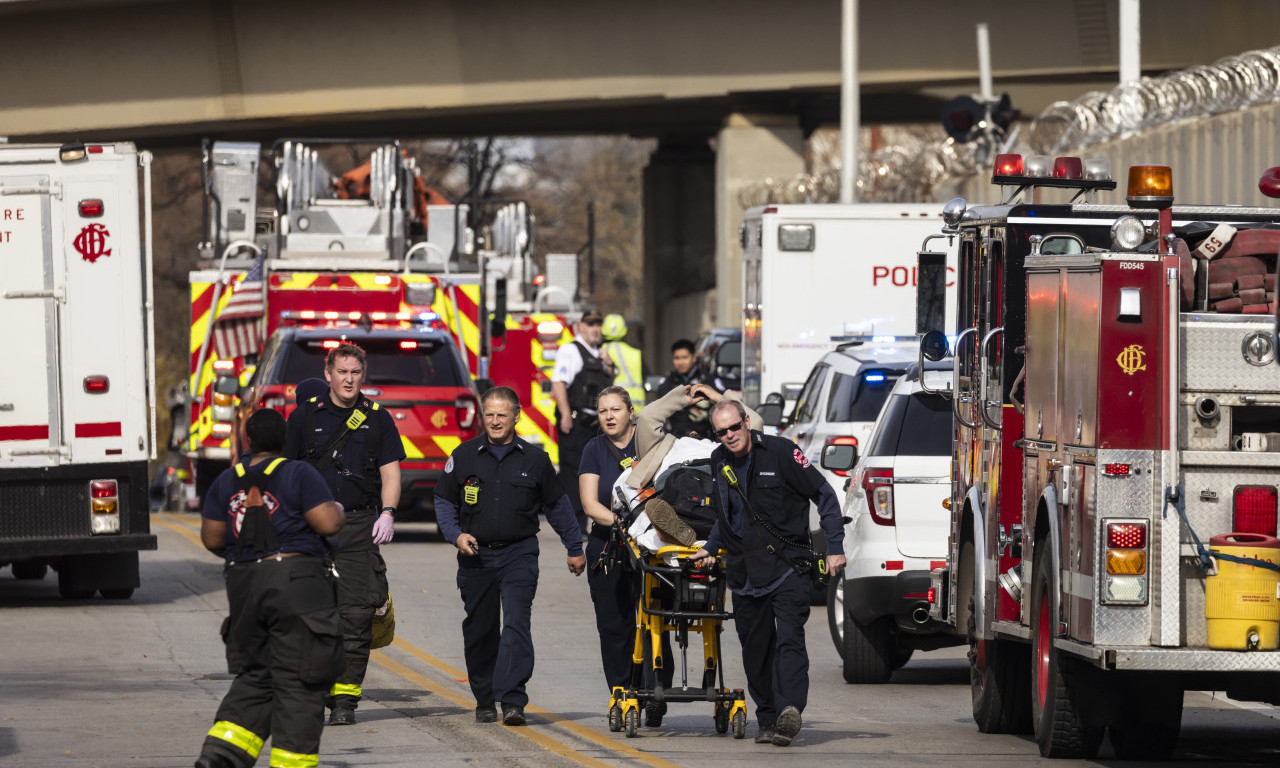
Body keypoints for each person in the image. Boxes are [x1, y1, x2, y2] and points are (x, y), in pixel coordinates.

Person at [195, 408, 345, 768]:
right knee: (301, 678)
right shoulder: (297, 472)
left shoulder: (227, 480)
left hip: (244, 585)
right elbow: (326, 523)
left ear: (248, 441)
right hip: (295, 582)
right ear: (284, 442)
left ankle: (221, 756)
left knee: (257, 675)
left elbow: (212, 537)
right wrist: (337, 508)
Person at [691, 400, 847, 747]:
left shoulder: (781, 452)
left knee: (789, 639)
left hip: (788, 567)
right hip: (744, 572)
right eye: (722, 432)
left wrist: (834, 545)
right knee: (755, 649)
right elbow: (726, 515)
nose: (730, 436)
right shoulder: (719, 461)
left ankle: (790, 709)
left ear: (747, 422)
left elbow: (824, 494)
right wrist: (711, 546)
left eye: (734, 427)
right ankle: (766, 718)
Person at [434, 386, 586, 726]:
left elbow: (558, 505)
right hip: (476, 556)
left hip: (519, 553)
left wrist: (574, 548)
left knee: (517, 622)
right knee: (481, 630)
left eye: (502, 415)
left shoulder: (535, 459)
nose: (495, 421)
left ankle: (513, 699)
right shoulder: (464, 456)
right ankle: (485, 697)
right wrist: (456, 535)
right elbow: (444, 501)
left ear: (516, 416)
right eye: (489, 414)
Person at [282, 342, 405, 726]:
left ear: (362, 375)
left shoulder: (378, 418)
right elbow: (284, 473)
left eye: (355, 372)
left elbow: (390, 474)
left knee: (355, 615)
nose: (349, 379)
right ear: (329, 374)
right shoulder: (303, 417)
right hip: (311, 528)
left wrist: (387, 513)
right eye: (342, 372)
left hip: (357, 526)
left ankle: (345, 701)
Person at [578, 385, 674, 725]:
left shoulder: (650, 442)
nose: (609, 416)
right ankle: (622, 693)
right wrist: (623, 522)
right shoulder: (593, 449)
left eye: (615, 409)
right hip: (609, 545)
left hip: (652, 546)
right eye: (603, 411)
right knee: (614, 625)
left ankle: (655, 693)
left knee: (654, 620)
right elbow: (590, 504)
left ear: (631, 412)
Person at [551, 309, 617, 533]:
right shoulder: (571, 350)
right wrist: (566, 414)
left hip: (595, 424)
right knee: (573, 474)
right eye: (590, 324)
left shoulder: (599, 353)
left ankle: (596, 522)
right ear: (580, 327)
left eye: (598, 324)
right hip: (577, 421)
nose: (595, 329)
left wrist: (609, 366)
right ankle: (575, 526)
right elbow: (559, 383)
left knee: (596, 473)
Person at [653, 339, 709, 439]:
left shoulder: (708, 380)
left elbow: (721, 402)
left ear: (693, 358)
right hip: (677, 438)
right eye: (677, 358)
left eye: (684, 357)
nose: (680, 362)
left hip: (705, 437)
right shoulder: (668, 383)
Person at [600, 314, 647, 409]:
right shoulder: (636, 354)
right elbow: (647, 378)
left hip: (608, 410)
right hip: (635, 410)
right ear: (624, 331)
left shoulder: (597, 352)